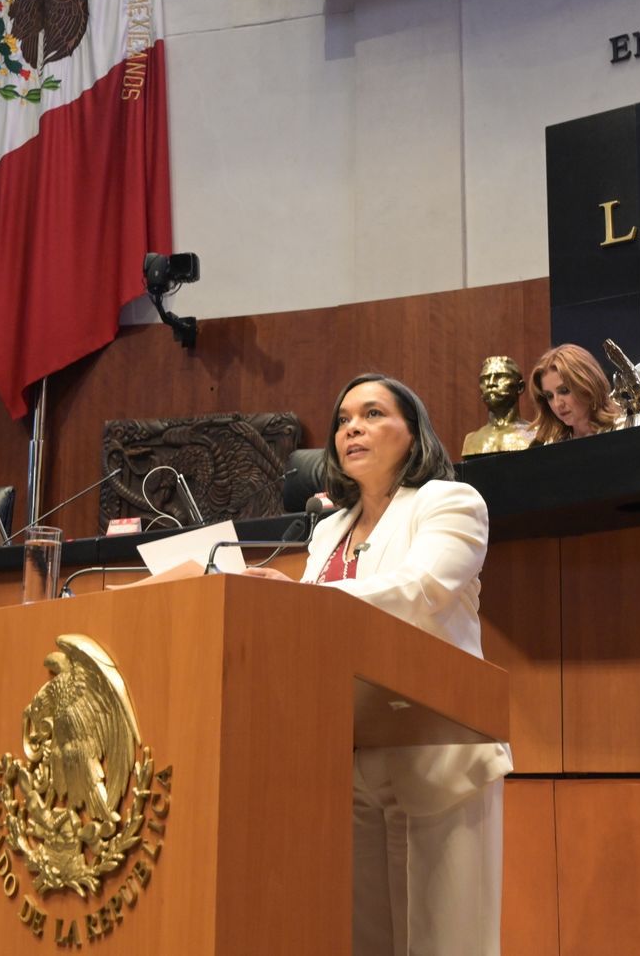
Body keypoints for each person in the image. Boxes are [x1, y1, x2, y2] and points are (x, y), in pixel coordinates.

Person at [244, 373, 512, 956]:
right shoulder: (327, 530)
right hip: (348, 752)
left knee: (446, 942)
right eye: (343, 420)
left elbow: (421, 589)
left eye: (371, 414)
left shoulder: (451, 502)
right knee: (363, 940)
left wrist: (299, 601)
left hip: (436, 748)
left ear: (412, 433)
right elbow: (314, 628)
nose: (352, 429)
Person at [528, 343, 620, 444]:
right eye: (549, 396)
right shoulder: (551, 445)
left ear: (588, 386)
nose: (557, 404)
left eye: (564, 391)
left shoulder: (623, 430)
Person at [461, 355, 535, 457]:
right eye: (485, 379)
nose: (491, 383)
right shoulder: (471, 440)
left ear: (520, 387)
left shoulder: (536, 435)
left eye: (501, 377)